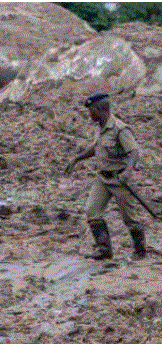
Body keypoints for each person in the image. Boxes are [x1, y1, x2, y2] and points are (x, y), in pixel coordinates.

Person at [65, 93, 146, 261]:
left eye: (91, 111)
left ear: (100, 109)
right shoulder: (99, 126)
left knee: (129, 218)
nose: (89, 114)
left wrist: (127, 172)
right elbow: (96, 147)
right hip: (102, 178)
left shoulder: (120, 128)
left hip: (119, 179)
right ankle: (104, 249)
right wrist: (77, 158)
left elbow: (134, 152)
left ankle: (140, 250)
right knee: (92, 211)